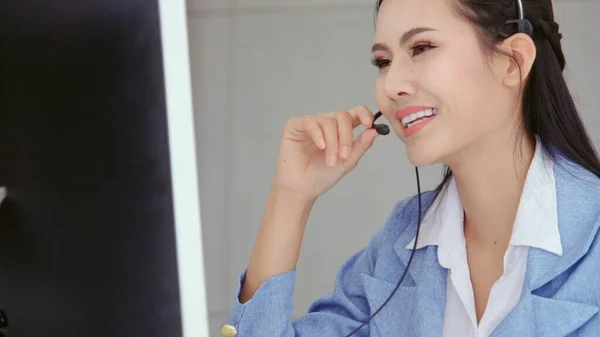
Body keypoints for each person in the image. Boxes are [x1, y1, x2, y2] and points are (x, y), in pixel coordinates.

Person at [220, 0, 600, 336]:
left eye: (422, 48)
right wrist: (290, 198)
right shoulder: (398, 248)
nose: (392, 85)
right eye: (383, 62)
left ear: (513, 62)